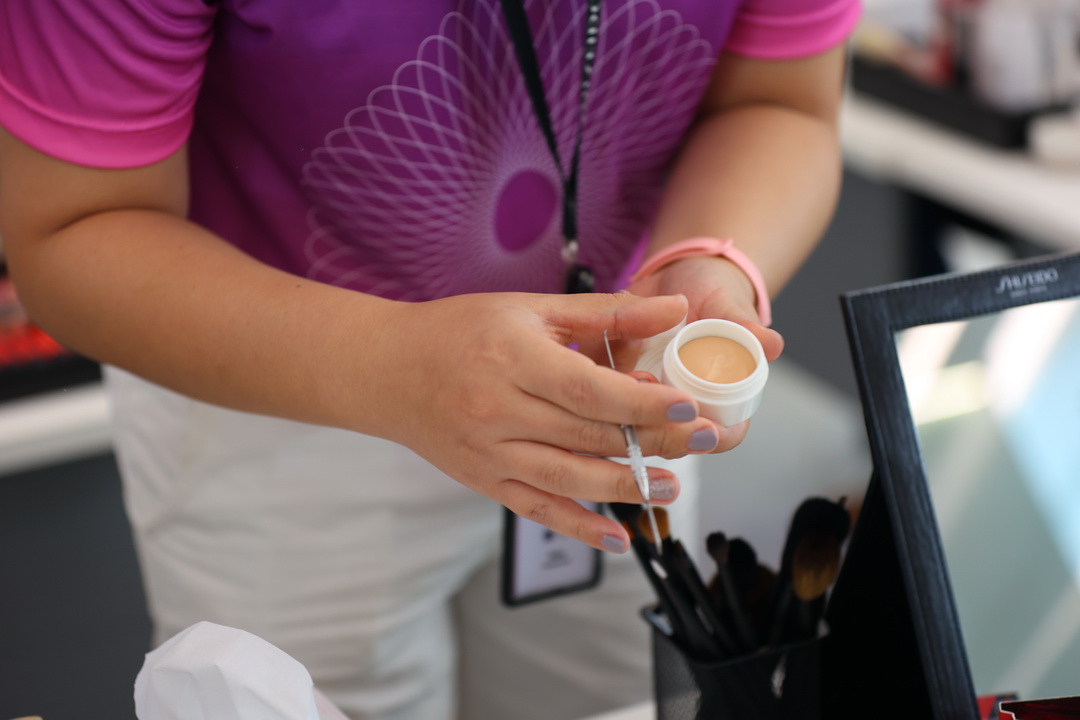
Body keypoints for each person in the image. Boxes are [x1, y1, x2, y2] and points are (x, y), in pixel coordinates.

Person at [0, 1, 860, 718]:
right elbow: (70, 230)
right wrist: (392, 368)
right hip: (273, 384)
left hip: (617, 374)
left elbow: (781, 101)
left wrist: (705, 266)